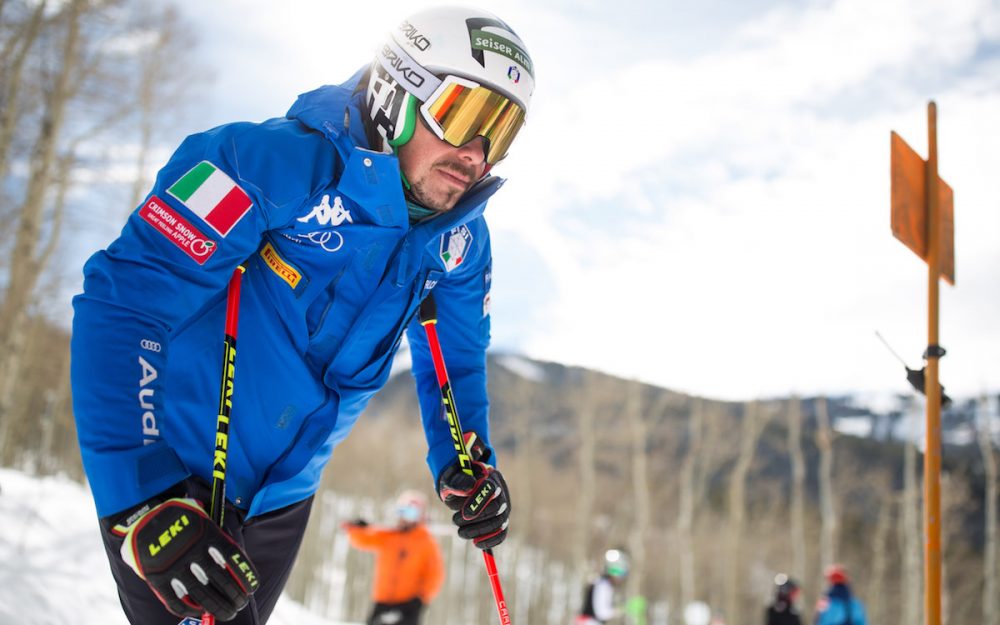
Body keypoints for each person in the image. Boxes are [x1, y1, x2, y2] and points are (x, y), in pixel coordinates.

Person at [70, 6, 534, 624]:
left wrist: (464, 463)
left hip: (285, 498)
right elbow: (125, 304)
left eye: (500, 132)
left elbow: (455, 360)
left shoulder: (461, 240)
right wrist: (141, 495)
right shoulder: (262, 162)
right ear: (399, 91)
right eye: (466, 115)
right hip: (180, 475)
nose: (477, 152)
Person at [342, 490, 444, 625]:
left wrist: (421, 599)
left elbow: (435, 574)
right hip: (382, 601)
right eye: (401, 512)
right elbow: (363, 540)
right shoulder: (389, 536)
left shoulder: (426, 542)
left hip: (408, 604)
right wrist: (355, 529)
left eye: (410, 513)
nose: (404, 517)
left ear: (419, 516)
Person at [576, 549, 630, 625]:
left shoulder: (600, 583)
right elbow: (601, 612)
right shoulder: (603, 585)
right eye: (619, 573)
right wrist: (622, 609)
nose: (619, 578)